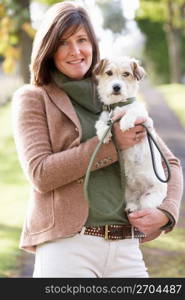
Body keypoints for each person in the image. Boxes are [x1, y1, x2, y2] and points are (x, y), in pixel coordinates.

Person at [12, 1, 183, 278]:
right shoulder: (34, 98)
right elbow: (40, 173)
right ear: (49, 48)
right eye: (64, 42)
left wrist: (166, 213)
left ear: (93, 44)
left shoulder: (115, 94)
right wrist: (112, 144)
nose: (76, 51)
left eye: (82, 40)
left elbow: (170, 162)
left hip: (124, 244)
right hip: (66, 245)